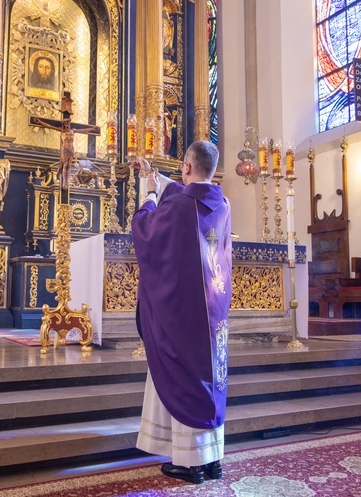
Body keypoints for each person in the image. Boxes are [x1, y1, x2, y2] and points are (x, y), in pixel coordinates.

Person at [131, 141, 232, 485]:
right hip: (213, 310)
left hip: (183, 311)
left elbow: (146, 232)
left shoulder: (176, 206)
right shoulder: (222, 204)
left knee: (184, 376)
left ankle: (191, 464)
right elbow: (187, 197)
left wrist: (148, 193)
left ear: (186, 167)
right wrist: (160, 181)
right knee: (211, 377)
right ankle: (213, 459)